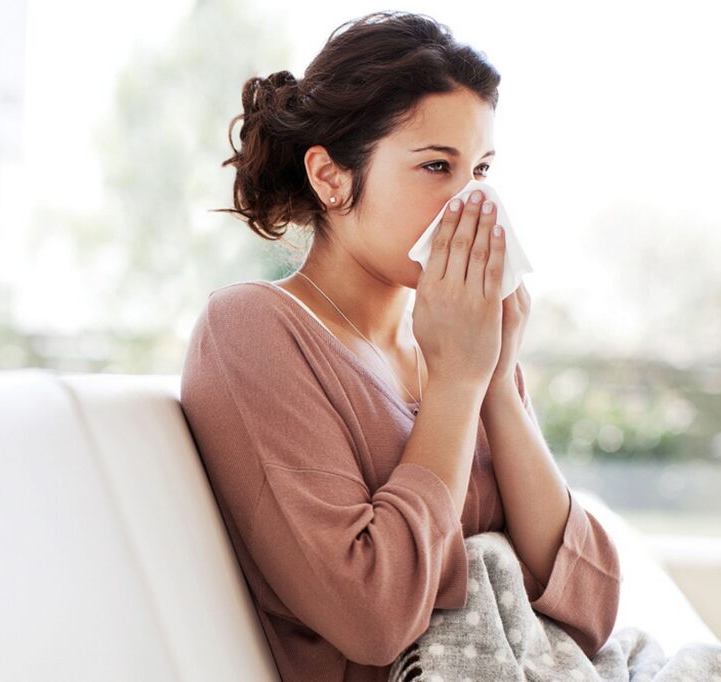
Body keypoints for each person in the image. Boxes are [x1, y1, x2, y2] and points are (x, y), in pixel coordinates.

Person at [180, 11, 621, 681]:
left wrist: (496, 383)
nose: (472, 202)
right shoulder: (254, 330)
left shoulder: (459, 345)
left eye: (481, 170)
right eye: (436, 166)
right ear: (331, 178)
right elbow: (373, 617)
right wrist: (456, 386)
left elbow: (592, 608)